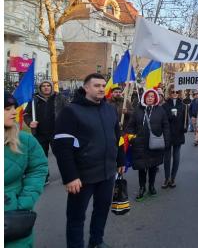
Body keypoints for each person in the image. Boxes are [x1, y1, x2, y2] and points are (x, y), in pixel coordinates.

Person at [52, 73, 125, 248]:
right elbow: (62, 146)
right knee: (76, 216)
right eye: (96, 85)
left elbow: (118, 137)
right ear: (85, 88)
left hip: (107, 172)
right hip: (82, 176)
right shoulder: (71, 111)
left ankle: (96, 241)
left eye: (102, 85)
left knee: (101, 211)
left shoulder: (109, 109)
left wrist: (120, 160)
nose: (101, 89)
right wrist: (70, 176)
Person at [4, 91, 48, 248]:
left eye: (13, 107)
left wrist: (24, 202)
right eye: (7, 108)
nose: (14, 111)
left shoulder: (25, 140)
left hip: (13, 214)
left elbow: (38, 168)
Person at [126, 89, 171, 200]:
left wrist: (166, 141)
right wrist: (132, 138)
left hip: (155, 145)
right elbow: (130, 126)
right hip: (140, 144)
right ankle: (142, 188)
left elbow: (166, 126)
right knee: (142, 168)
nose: (150, 98)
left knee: (153, 167)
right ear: (144, 98)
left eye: (152, 96)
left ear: (155, 98)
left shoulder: (160, 111)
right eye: (148, 96)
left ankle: (151, 186)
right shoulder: (137, 110)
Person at [24, 80, 68, 184]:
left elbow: (69, 111)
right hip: (39, 133)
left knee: (62, 155)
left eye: (48, 85)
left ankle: (67, 176)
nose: (46, 87)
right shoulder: (34, 99)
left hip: (56, 133)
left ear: (52, 87)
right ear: (40, 88)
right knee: (41, 157)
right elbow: (26, 113)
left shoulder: (59, 97)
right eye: (43, 86)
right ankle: (44, 177)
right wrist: (30, 122)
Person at [161, 85, 187, 188]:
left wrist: (185, 126)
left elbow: (186, 118)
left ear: (180, 93)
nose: (175, 93)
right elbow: (162, 119)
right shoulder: (165, 105)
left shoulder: (184, 104)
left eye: (177, 92)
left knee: (176, 156)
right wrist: (171, 116)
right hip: (167, 133)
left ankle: (173, 178)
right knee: (167, 157)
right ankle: (166, 178)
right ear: (169, 93)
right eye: (172, 92)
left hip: (178, 133)